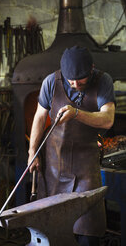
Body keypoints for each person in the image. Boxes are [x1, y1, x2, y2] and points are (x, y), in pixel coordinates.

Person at [27, 45, 115, 246]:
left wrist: (76, 113)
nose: (75, 84)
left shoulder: (103, 81)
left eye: (80, 80)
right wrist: (32, 152)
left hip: (86, 167)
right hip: (54, 166)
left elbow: (108, 119)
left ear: (91, 69)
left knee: (88, 231)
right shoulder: (51, 81)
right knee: (52, 228)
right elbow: (39, 118)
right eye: (70, 80)